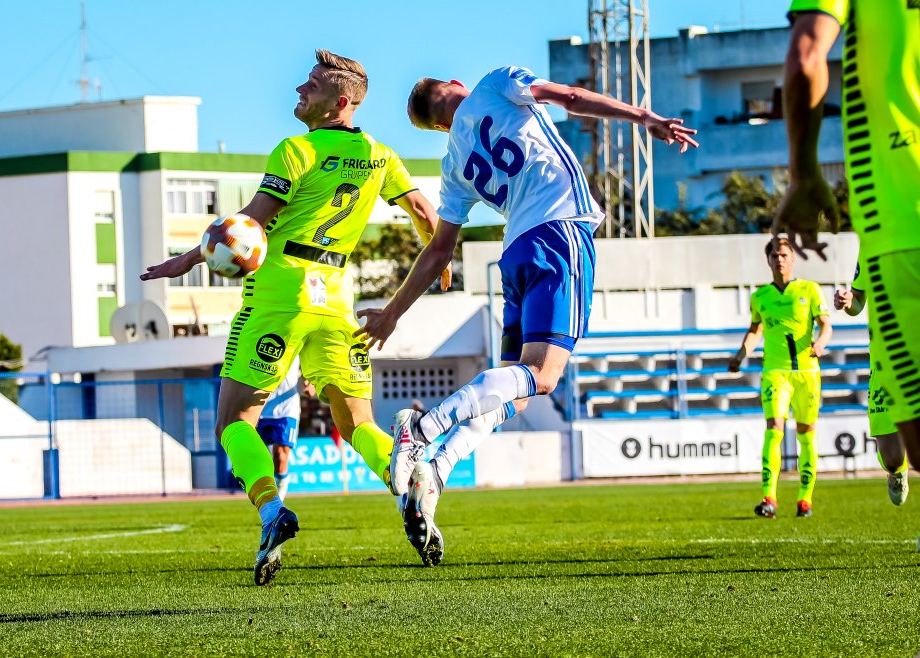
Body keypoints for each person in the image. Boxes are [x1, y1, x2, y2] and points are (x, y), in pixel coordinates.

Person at [356, 66, 698, 565]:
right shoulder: (496, 83)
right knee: (543, 375)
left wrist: (392, 313)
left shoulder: (454, 164)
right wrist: (643, 116)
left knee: (513, 391)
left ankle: (438, 469)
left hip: (515, 252)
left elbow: (439, 250)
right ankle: (423, 429)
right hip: (558, 232)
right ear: (455, 84)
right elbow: (570, 97)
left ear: (439, 128)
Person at [141, 49, 448, 585]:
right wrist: (437, 259)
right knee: (358, 424)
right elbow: (426, 213)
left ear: (341, 102)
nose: (300, 90)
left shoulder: (296, 150)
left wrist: (187, 260)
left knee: (234, 422)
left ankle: (271, 511)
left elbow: (250, 224)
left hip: (279, 293)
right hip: (337, 300)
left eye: (312, 85)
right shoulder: (380, 155)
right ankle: (408, 479)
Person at [776, 3, 920, 491]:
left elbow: (806, 55)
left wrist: (804, 174)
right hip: (896, 231)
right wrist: (849, 300)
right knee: (897, 448)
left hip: (901, 217)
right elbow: (855, 304)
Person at [728, 238, 832, 518]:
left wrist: (821, 343)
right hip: (775, 371)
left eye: (784, 255)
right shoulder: (760, 297)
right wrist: (740, 355)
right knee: (774, 428)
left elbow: (825, 324)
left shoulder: (810, 290)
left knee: (806, 433)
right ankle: (769, 498)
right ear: (769, 260)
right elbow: (755, 330)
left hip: (807, 373)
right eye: (775, 255)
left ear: (793, 258)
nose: (780, 260)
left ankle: (805, 499)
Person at [835, 259, 907, 505]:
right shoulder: (870, 247)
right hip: (885, 361)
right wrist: (848, 302)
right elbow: (857, 302)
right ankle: (897, 471)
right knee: (892, 458)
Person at [255, 358, 314, 501]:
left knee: (281, 457)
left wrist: (311, 382)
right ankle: (266, 496)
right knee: (259, 460)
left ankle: (278, 502)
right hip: (259, 407)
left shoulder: (297, 345)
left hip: (286, 409)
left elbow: (310, 362)